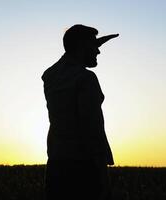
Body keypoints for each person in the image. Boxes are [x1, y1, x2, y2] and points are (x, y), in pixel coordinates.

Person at [42, 24, 119, 200]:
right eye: (94, 47)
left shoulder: (51, 77)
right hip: (84, 167)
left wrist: (92, 44)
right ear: (81, 47)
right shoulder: (86, 79)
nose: (98, 52)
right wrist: (101, 172)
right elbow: (92, 128)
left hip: (56, 164)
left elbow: (71, 55)